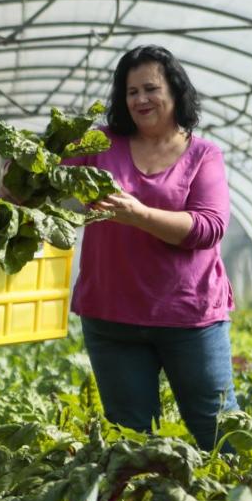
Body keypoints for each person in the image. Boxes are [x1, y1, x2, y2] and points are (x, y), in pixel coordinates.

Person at [64, 45, 238, 449]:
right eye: (130, 92)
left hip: (190, 318)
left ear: (175, 92)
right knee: (132, 441)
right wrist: (17, 176)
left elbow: (209, 227)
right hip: (113, 318)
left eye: (150, 89)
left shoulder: (202, 154)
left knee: (219, 432)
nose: (140, 99)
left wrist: (139, 214)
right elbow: (44, 175)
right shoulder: (100, 143)